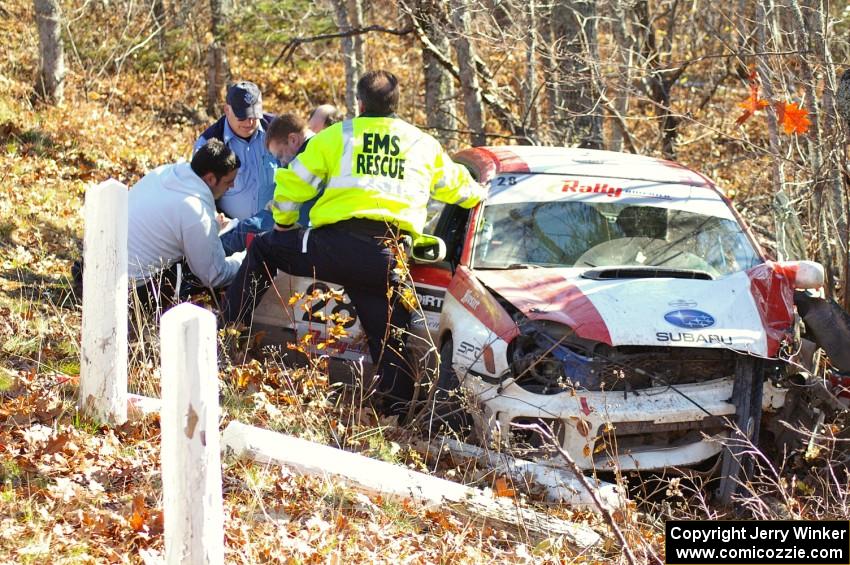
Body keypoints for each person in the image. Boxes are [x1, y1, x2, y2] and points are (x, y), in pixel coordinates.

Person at [223, 70, 485, 414]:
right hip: (386, 257)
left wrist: (285, 226)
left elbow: (292, 186)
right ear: (396, 103)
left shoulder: (336, 137)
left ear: (360, 104)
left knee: (264, 248)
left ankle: (227, 335)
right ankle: (396, 413)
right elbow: (461, 190)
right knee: (393, 343)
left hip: (332, 247)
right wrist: (481, 192)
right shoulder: (422, 144)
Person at [127, 138, 245, 305]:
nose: (232, 186)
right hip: (138, 290)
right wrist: (244, 259)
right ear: (210, 179)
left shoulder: (165, 173)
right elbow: (214, 276)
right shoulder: (196, 213)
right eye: (228, 181)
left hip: (114, 270)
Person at [194, 81, 280, 254]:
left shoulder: (278, 130)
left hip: (278, 229)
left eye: (254, 115)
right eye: (242, 116)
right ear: (227, 110)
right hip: (233, 238)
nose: (249, 122)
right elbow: (200, 196)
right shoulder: (209, 143)